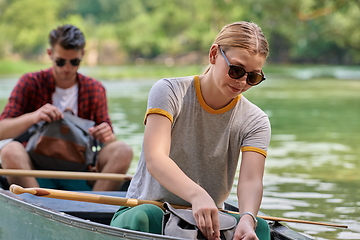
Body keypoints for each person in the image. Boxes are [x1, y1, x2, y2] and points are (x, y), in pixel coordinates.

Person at [110, 21, 271, 240]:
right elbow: (156, 158)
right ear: (214, 54)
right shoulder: (168, 91)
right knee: (144, 217)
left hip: (207, 222)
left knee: (260, 228)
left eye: (253, 77)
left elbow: (251, 181)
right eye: (236, 70)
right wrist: (197, 195)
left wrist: (247, 218)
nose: (242, 82)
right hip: (149, 210)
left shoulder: (256, 120)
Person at [0, 24, 133, 191]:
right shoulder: (30, 83)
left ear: (82, 55)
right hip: (34, 167)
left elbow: (110, 141)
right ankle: (35, 204)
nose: (67, 68)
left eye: (74, 62)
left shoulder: (95, 89)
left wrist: (106, 135)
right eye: (60, 62)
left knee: (123, 150)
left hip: (82, 165)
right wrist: (35, 116)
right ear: (50, 54)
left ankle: (92, 209)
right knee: (9, 150)